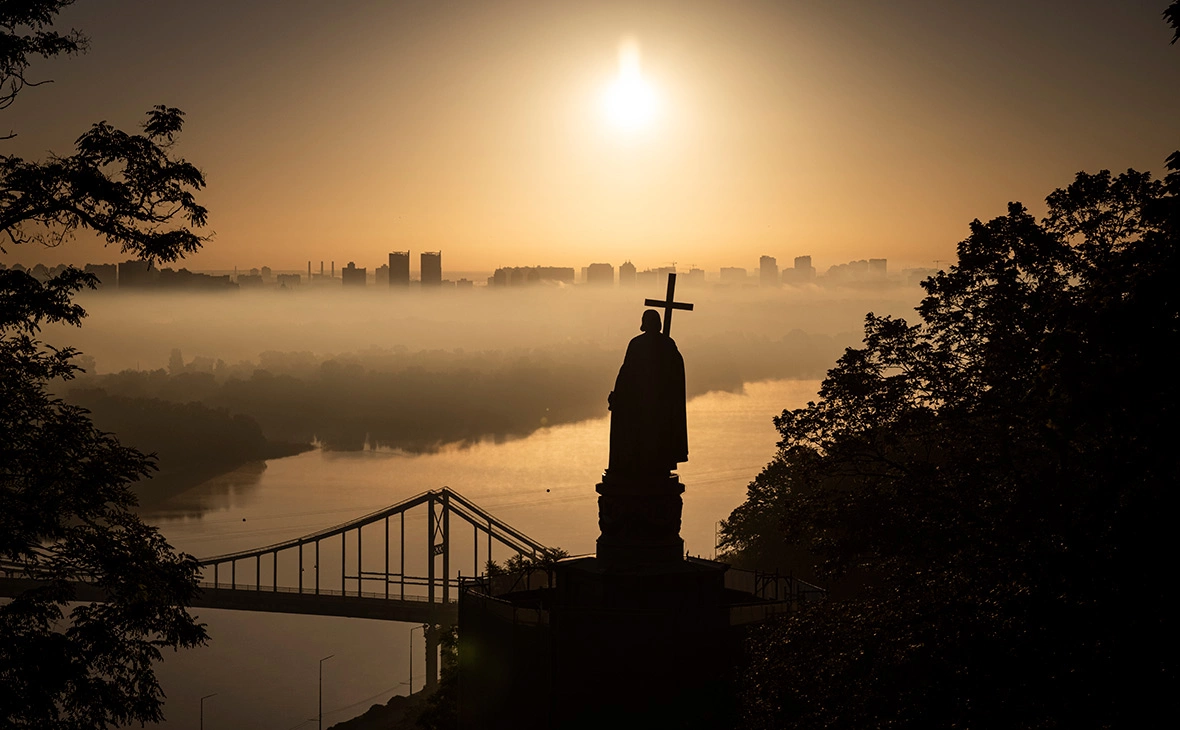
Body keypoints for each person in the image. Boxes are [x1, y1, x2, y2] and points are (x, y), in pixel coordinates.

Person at [607, 309, 688, 476]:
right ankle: (653, 463)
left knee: (642, 436)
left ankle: (639, 463)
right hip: (659, 404)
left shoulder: (637, 344)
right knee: (654, 436)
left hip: (642, 403)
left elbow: (626, 373)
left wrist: (618, 395)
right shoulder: (668, 344)